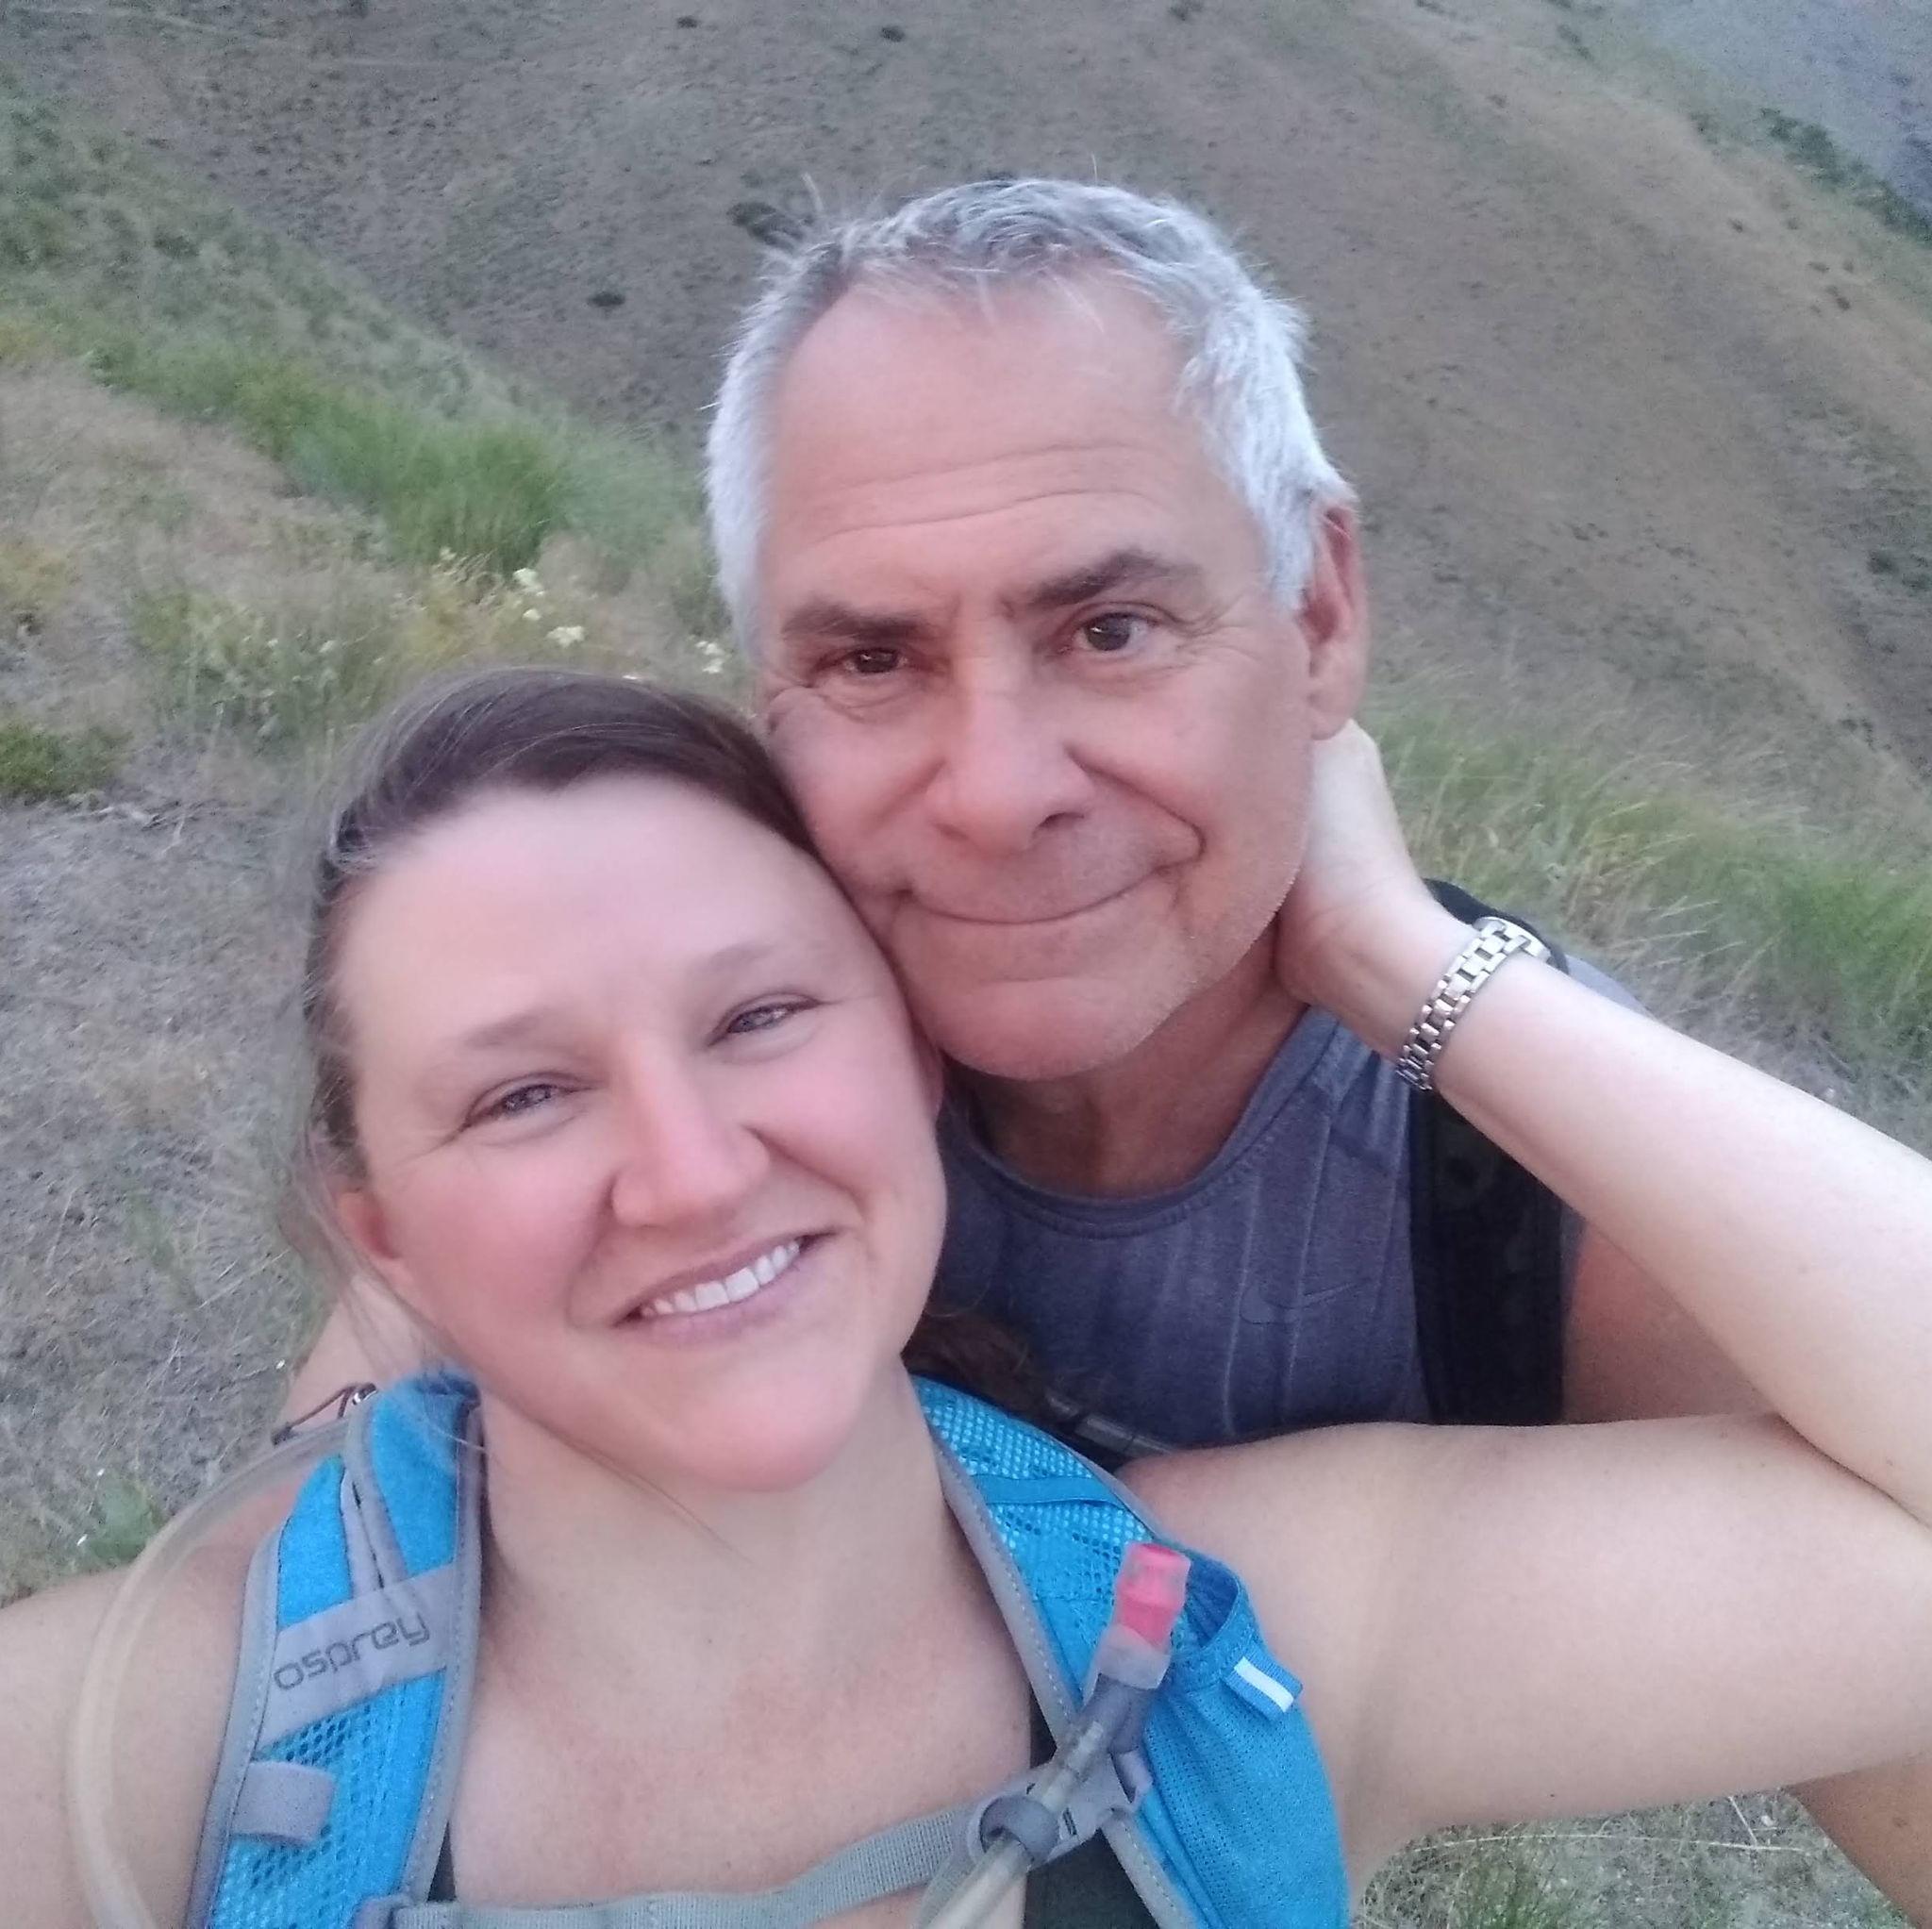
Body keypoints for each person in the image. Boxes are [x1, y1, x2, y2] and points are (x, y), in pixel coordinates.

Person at [291, 177, 1929, 1897]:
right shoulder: (702, 1085)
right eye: (872, 659)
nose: (997, 791)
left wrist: (1397, 959)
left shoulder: (1515, 1174)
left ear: (1317, 617)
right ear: (768, 688)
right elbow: (307, 1585)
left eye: (1112, 629)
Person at [6, 668, 1931, 1927]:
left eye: (762, 1015)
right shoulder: (125, 1754)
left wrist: (1394, 953)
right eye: (523, 1096)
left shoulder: (1241, 1640)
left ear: (916, 1056)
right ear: (386, 1234)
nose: (691, 1170)